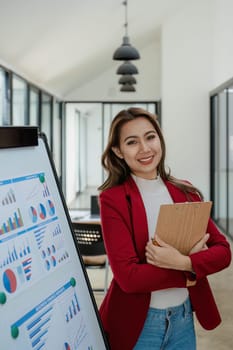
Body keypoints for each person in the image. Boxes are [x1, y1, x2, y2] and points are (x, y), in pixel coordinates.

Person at [98, 107, 231, 350]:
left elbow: (223, 251)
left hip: (182, 319)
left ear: (159, 138)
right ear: (118, 151)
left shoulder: (185, 191)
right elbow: (129, 278)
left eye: (150, 137)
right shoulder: (113, 199)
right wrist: (191, 269)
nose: (145, 148)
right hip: (139, 324)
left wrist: (183, 263)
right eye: (132, 142)